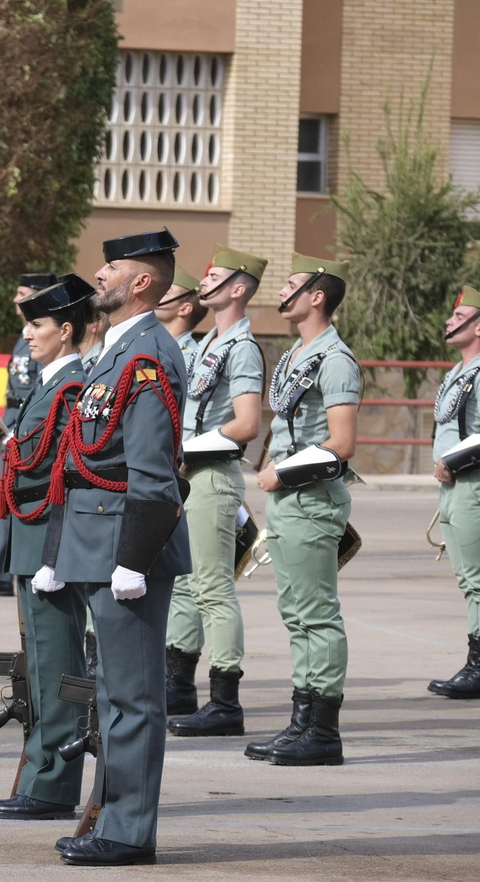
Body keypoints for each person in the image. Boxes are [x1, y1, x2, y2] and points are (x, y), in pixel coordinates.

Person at [35, 228, 189, 866]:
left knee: (131, 697)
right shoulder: (112, 354)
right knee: (108, 695)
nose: (98, 276)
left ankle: (128, 832)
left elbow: (153, 476)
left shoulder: (148, 355)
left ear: (142, 283)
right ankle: (107, 818)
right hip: (92, 542)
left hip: (127, 549)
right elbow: (76, 460)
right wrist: (56, 553)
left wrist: (134, 559)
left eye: (111, 268)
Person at [0, 273, 95, 820]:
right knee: (40, 668)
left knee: (57, 667)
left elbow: (66, 479)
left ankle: (52, 785)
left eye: (39, 324)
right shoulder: (49, 385)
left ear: (66, 329)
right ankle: (41, 774)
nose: (28, 333)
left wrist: (55, 554)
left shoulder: (72, 387)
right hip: (32, 544)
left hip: (49, 545)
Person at [247, 254, 359, 768]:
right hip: (289, 503)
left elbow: (341, 442)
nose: (283, 292)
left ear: (318, 295)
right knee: (296, 614)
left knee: (317, 614)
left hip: (312, 500)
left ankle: (324, 729)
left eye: (293, 285)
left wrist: (281, 473)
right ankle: (301, 721)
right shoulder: (298, 354)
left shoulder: (334, 359)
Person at [166, 245, 267, 735]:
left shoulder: (242, 346)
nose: (204, 283)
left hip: (211, 474)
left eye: (217, 277)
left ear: (239, 289)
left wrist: (188, 448)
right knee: (187, 583)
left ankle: (226, 702)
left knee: (212, 590)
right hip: (190, 475)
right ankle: (180, 684)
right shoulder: (210, 343)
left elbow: (247, 423)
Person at [0, 274, 58, 597]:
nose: (15, 299)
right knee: (3, 505)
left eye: (23, 293)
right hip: (13, 426)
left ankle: (5, 571)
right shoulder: (23, 337)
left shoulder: (45, 338)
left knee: (19, 503)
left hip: (27, 432)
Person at [429, 285, 480, 698]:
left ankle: (479, 666)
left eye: (459, 317)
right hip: (456, 485)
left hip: (470, 482)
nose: (449, 321)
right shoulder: (461, 370)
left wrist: (452, 462)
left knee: (476, 580)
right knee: (469, 578)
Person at [158, 265, 208, 371]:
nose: (156, 295)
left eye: (166, 292)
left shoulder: (187, 357)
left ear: (184, 309)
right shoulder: (154, 344)